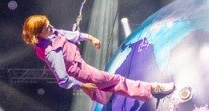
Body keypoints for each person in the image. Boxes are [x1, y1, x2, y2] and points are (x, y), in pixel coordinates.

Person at [21, 14, 174, 104]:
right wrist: (82, 86)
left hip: (81, 66)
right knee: (115, 80)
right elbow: (62, 79)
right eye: (46, 28)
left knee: (104, 87)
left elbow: (67, 34)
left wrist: (90, 38)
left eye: (49, 24)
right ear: (38, 34)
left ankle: (103, 97)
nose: (51, 27)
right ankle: (153, 89)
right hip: (80, 73)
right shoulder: (50, 52)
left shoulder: (51, 32)